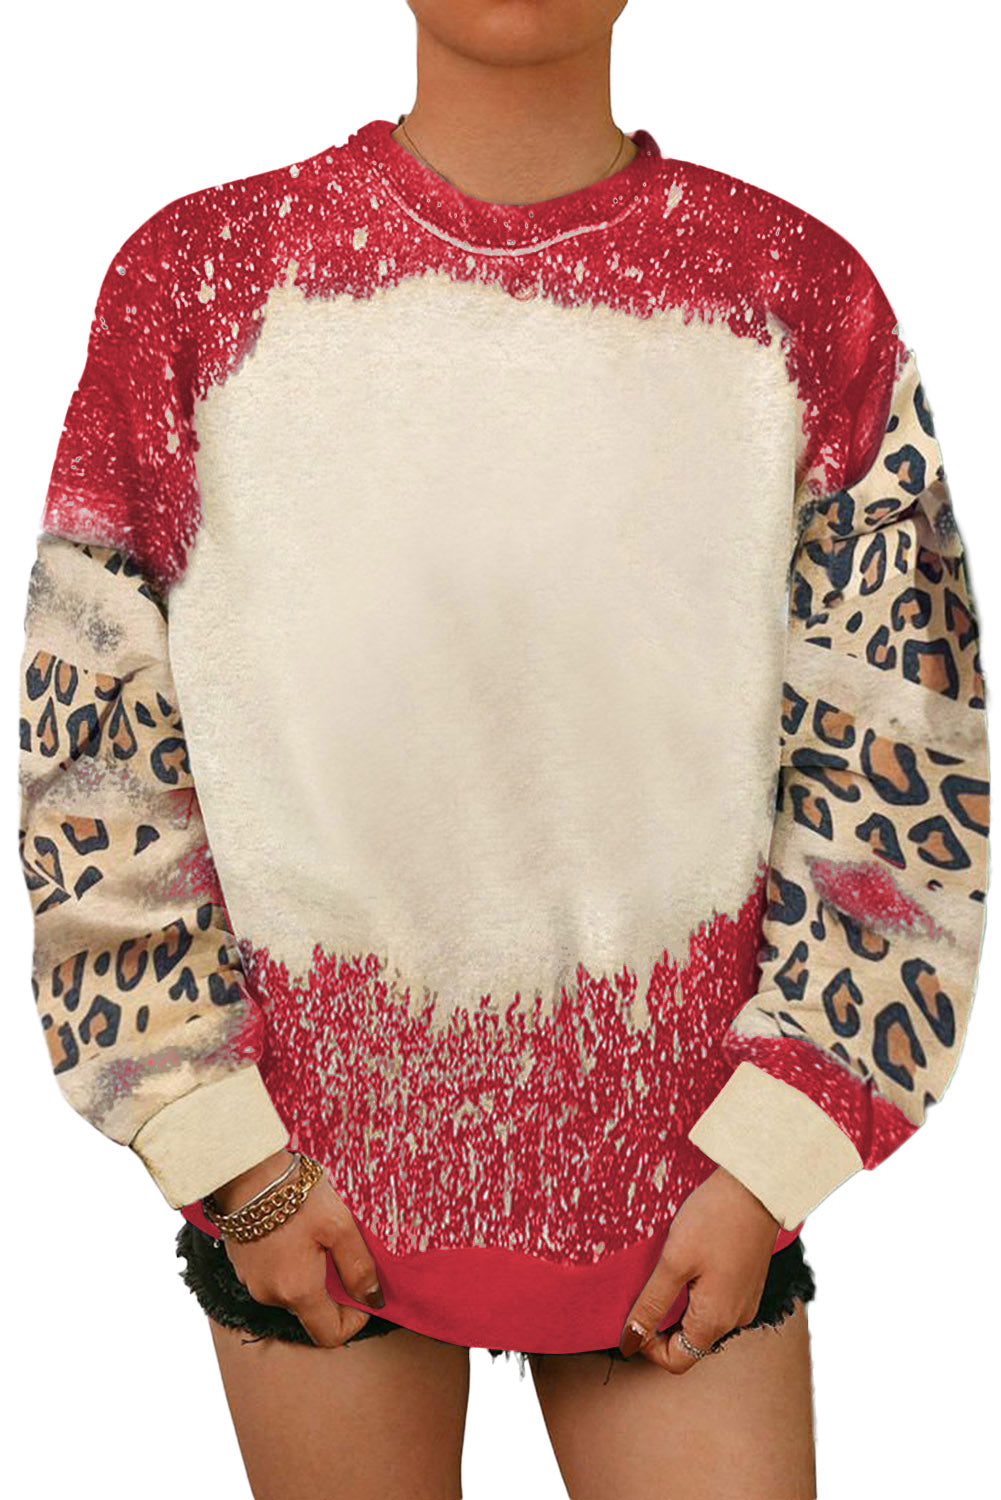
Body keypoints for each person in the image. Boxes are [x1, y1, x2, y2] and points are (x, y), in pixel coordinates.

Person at [17, 3, 989, 1497]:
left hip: (692, 1184)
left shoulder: (795, 293)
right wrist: (217, 1140)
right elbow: (96, 743)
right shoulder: (197, 282)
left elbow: (900, 753)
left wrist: (777, 1147)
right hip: (301, 1168)